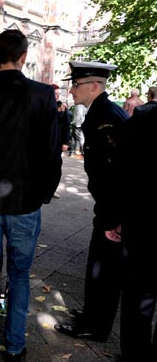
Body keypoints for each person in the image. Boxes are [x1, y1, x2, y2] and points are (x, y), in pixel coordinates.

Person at [0, 29, 62, 362]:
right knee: (19, 275)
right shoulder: (43, 95)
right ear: (23, 57)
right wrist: (43, 193)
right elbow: (51, 154)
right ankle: (15, 345)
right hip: (25, 202)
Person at [54, 61, 129, 342]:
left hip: (113, 210)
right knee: (97, 267)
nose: (72, 90)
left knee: (105, 271)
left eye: (77, 84)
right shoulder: (99, 113)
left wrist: (116, 218)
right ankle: (90, 316)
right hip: (107, 206)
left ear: (94, 86)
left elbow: (120, 173)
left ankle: (95, 327)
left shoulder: (109, 117)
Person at [117, 101, 157, 362]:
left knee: (138, 301)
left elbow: (123, 172)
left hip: (145, 227)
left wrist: (116, 217)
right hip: (144, 225)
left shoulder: (143, 120)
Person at [53, 84, 72, 153]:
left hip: (58, 139)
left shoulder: (62, 106)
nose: (58, 96)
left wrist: (66, 142)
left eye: (59, 94)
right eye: (55, 94)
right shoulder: (44, 106)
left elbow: (67, 126)